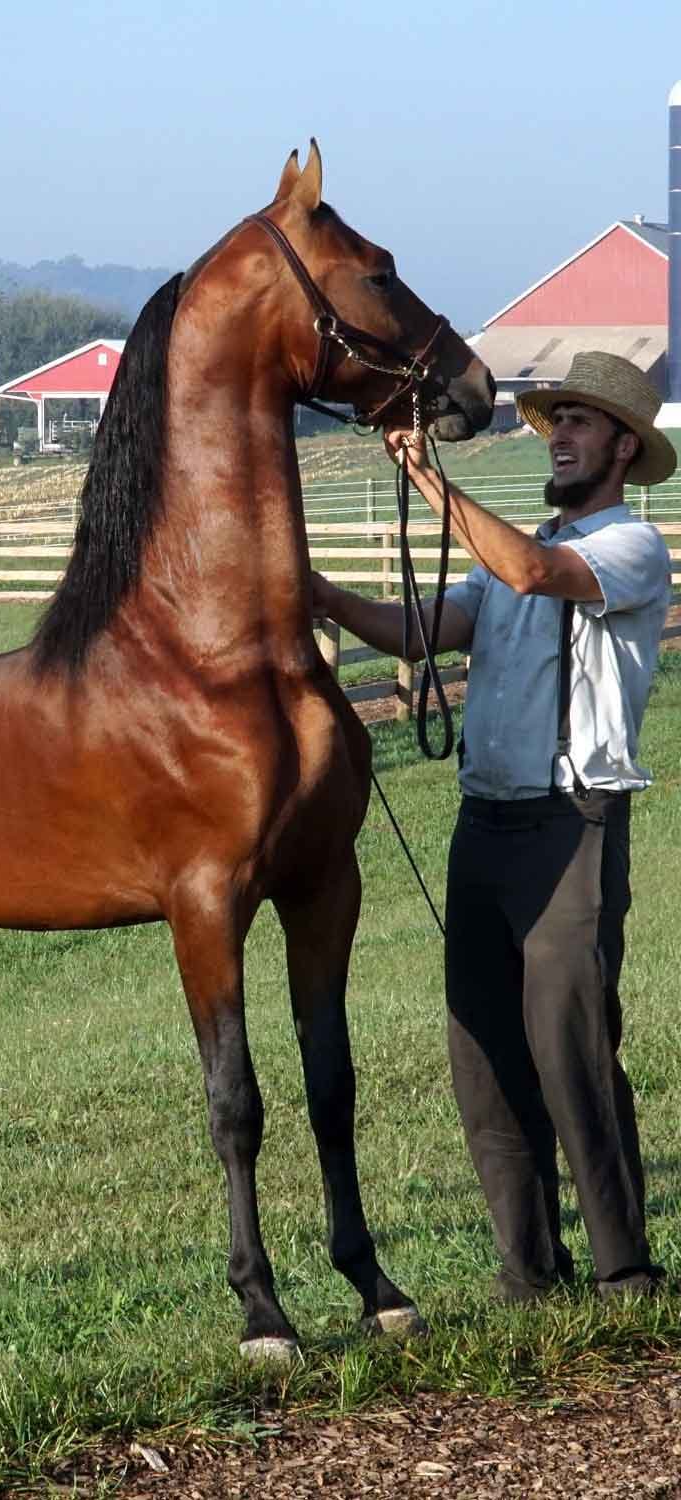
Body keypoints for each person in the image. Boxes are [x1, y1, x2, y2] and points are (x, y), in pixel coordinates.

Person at [313, 352, 676, 1302]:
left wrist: (430, 480)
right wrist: (315, 594)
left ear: (624, 444)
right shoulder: (527, 548)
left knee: (572, 1051)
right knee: (482, 1059)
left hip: (574, 825)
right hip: (485, 827)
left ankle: (624, 1270)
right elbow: (424, 627)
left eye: (581, 422)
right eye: (554, 420)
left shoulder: (627, 548)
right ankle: (529, 1278)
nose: (558, 434)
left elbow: (528, 568)